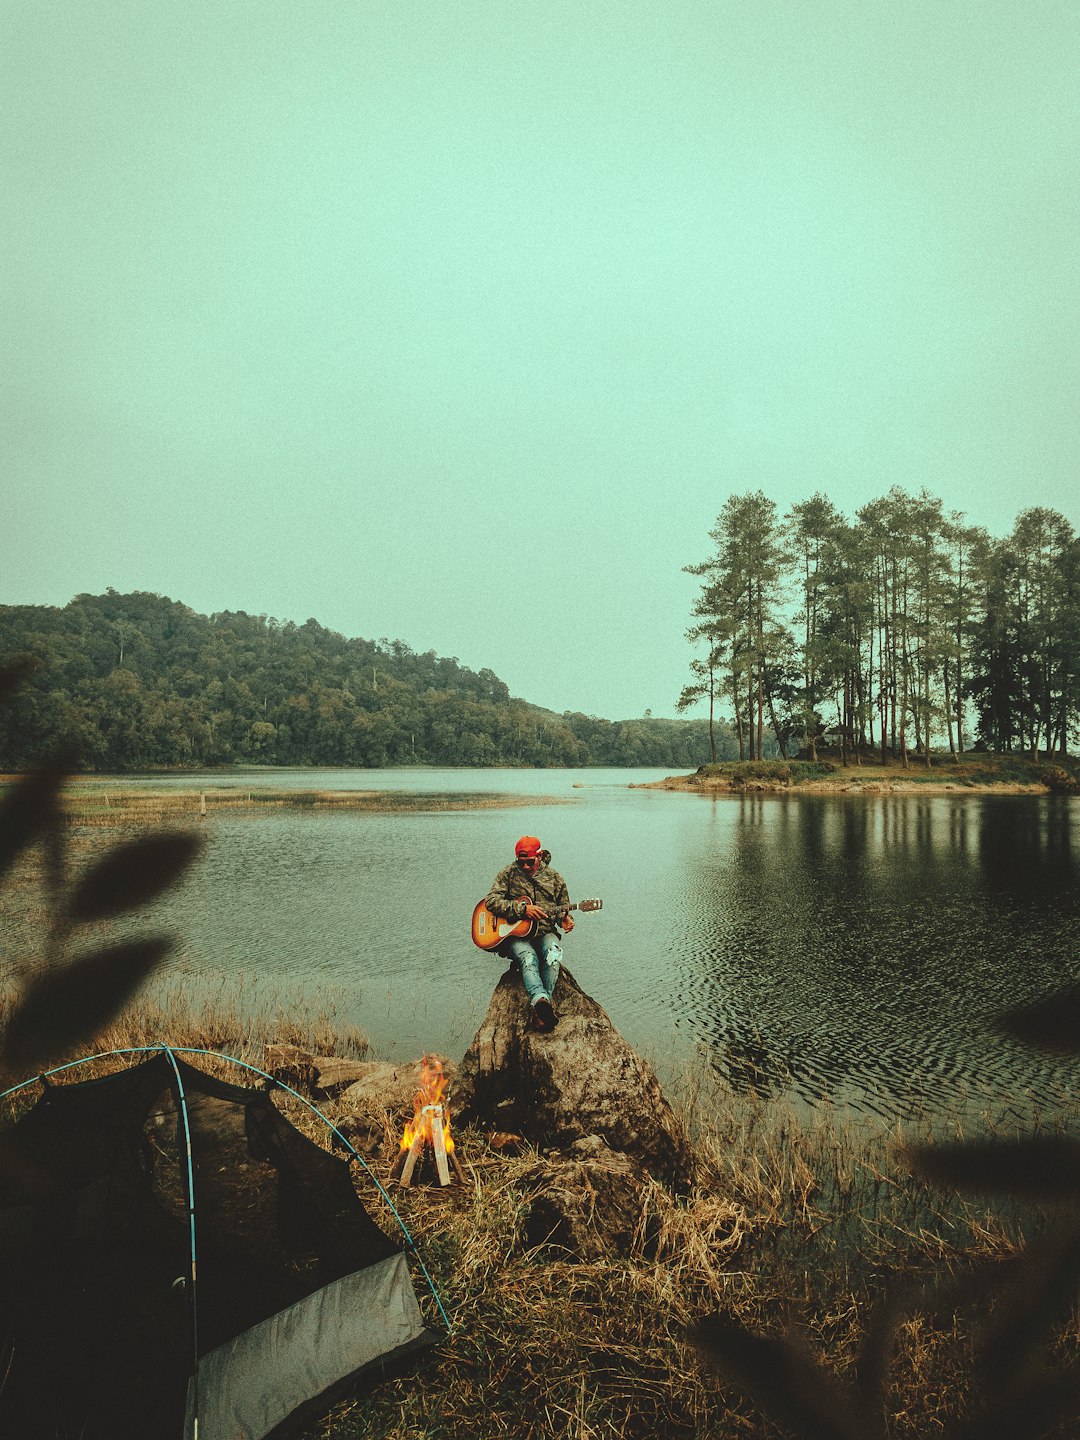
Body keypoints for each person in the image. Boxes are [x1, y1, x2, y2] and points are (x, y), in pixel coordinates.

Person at [483, 835, 574, 1032]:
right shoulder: (508, 874)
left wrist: (565, 919)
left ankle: (541, 1006)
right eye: (521, 862)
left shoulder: (555, 879)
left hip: (544, 933)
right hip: (515, 936)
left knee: (553, 953)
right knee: (528, 957)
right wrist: (521, 910)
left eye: (529, 862)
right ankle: (542, 1003)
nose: (525, 867)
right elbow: (491, 901)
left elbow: (562, 911)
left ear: (539, 856)